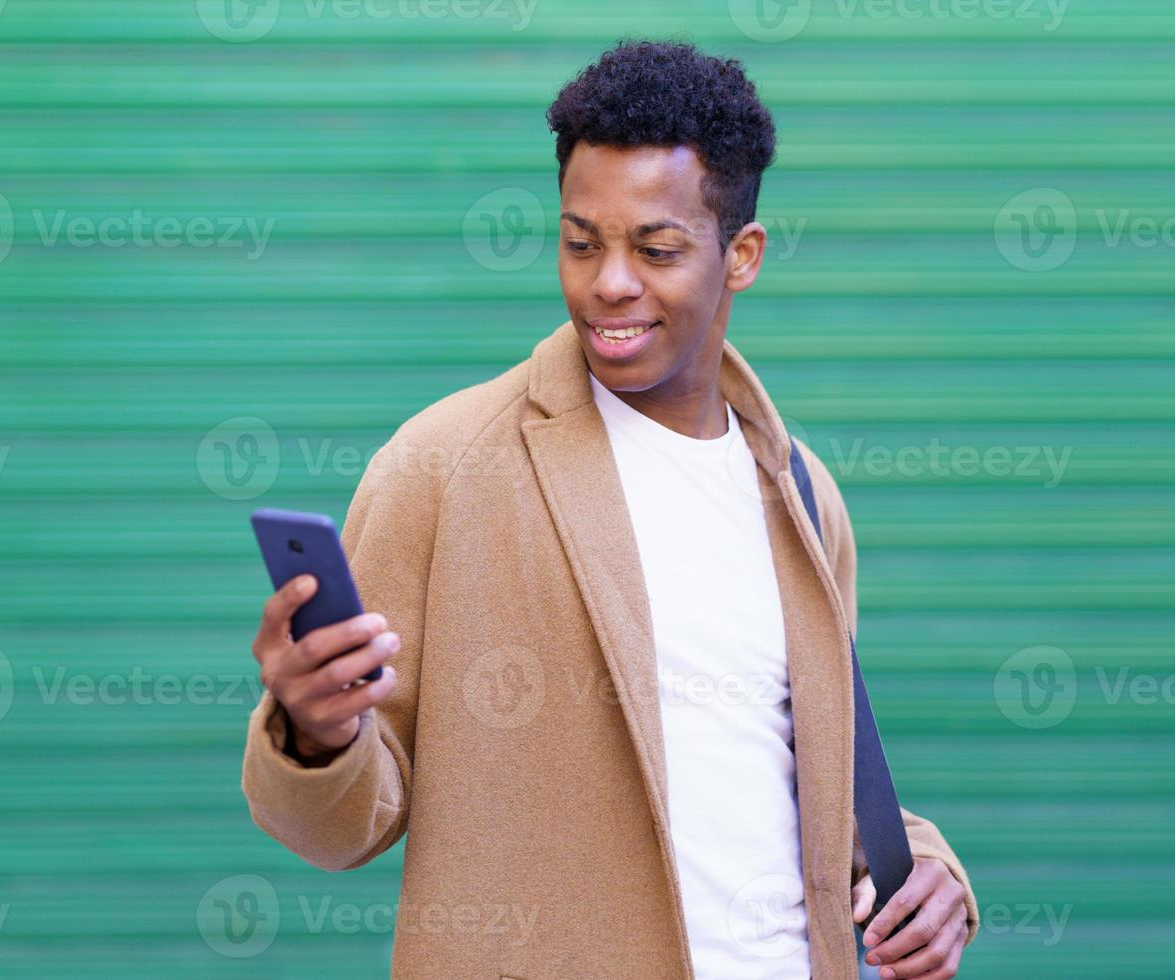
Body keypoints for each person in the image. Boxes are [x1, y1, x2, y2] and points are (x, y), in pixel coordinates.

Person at [242, 38, 978, 980]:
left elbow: (779, 786)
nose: (609, 283)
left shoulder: (801, 493)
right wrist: (313, 729)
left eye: (657, 248)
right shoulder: (443, 466)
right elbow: (344, 827)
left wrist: (928, 867)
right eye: (580, 241)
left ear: (741, 255)